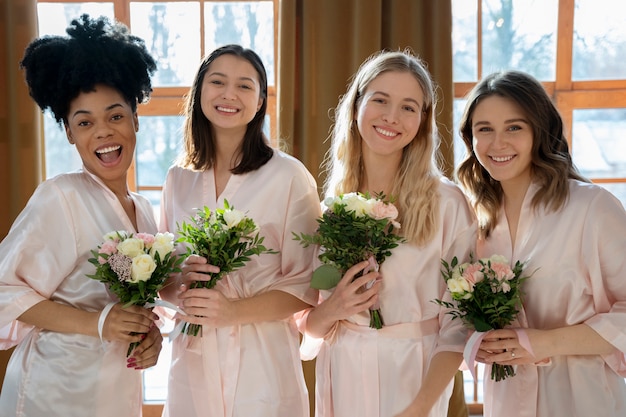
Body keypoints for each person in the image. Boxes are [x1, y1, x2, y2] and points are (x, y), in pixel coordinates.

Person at [297, 49, 476, 417]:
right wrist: (334, 308)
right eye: (380, 100)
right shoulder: (331, 206)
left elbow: (459, 323)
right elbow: (309, 328)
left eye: (409, 107)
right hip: (342, 372)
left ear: (423, 120)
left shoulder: (447, 203)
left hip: (415, 376)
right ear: (357, 105)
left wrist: (420, 408)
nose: (392, 117)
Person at [0, 14, 162, 417]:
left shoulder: (143, 211)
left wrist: (150, 337)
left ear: (135, 119)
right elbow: (5, 293)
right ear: (70, 133)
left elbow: (138, 307)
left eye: (115, 116)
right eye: (85, 122)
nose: (103, 132)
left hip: (114, 393)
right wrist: (99, 323)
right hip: (53, 391)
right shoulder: (61, 196)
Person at [158, 44, 321, 417]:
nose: (229, 94)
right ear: (199, 92)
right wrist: (181, 283)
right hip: (192, 353)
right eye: (217, 82)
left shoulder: (289, 177)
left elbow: (307, 285)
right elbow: (164, 276)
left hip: (262, 357)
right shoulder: (178, 179)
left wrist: (232, 312)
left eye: (244, 86)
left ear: (261, 99)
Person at [456, 70, 626, 417]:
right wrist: (477, 342)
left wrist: (543, 342)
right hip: (505, 401)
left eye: (514, 127)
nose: (497, 143)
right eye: (484, 129)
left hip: (582, 399)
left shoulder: (592, 207)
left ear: (540, 131)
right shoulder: (473, 221)